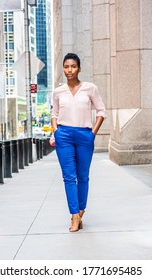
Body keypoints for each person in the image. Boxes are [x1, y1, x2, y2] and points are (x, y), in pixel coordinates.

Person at [51, 53, 107, 232]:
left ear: (79, 68)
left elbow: (101, 111)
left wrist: (92, 133)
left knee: (83, 176)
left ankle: (81, 210)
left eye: (73, 66)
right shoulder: (58, 91)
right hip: (64, 135)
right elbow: (54, 114)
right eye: (66, 67)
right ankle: (74, 215)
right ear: (63, 69)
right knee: (69, 177)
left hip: (84, 135)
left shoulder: (90, 88)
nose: (70, 70)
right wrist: (56, 132)